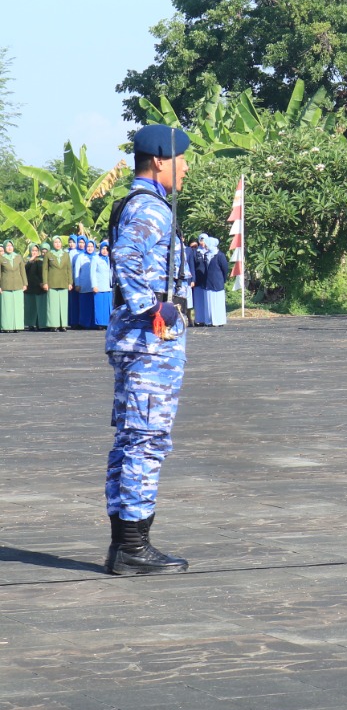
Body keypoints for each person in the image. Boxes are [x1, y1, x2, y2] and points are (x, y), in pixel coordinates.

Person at [104, 123, 194, 575]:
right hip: (149, 342)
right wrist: (155, 308)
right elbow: (127, 260)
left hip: (137, 340)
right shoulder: (149, 209)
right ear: (160, 159)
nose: (186, 167)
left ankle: (127, 543)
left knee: (131, 440)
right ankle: (134, 547)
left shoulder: (144, 204)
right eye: (182, 158)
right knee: (146, 439)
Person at [191, 235, 228, 327]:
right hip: (208, 282)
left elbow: (225, 269)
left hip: (217, 281)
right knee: (208, 301)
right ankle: (209, 320)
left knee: (217, 302)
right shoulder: (206, 255)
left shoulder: (220, 255)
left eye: (207, 244)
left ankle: (218, 321)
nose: (206, 246)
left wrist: (222, 279)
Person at [0, 240, 23, 332]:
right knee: (6, 307)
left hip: (18, 284)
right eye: (8, 246)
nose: (9, 247)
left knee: (17, 306)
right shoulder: (1, 258)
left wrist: (25, 283)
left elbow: (22, 272)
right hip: (6, 285)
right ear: (5, 247)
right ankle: (6, 327)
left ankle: (17, 326)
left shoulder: (18, 257)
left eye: (11, 246)